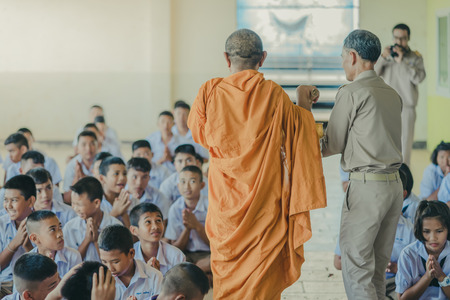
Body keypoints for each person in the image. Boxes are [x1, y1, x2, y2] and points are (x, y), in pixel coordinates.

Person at [187, 28, 326, 299]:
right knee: (262, 281)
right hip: (264, 206)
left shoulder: (209, 91)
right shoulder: (273, 95)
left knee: (227, 276)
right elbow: (302, 135)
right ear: (262, 58)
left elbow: (199, 134)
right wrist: (302, 101)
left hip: (226, 207)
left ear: (226, 59)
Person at [321, 29, 403, 299]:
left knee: (357, 269)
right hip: (393, 187)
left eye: (343, 57)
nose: (343, 62)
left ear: (353, 56)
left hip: (367, 188)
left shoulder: (352, 92)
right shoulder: (391, 93)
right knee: (377, 270)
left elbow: (332, 144)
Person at [333, 169, 416, 299]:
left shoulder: (409, 230)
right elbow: (338, 262)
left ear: (402, 194)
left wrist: (397, 268)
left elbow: (418, 269)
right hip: (364, 282)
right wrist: (365, 265)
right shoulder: (354, 224)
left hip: (396, 284)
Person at [374, 23, 426, 166]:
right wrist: (383, 58)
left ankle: (404, 185)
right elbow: (373, 74)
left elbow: (419, 78)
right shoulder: (386, 56)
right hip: (386, 108)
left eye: (403, 38)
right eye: (396, 38)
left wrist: (402, 61)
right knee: (383, 146)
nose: (399, 42)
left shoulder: (415, 58)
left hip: (407, 109)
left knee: (404, 149)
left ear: (408, 38)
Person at [396, 200, 450, 299]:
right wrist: (427, 277)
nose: (433, 237)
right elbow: (402, 298)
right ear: (419, 231)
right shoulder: (408, 254)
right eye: (426, 231)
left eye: (439, 231)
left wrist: (441, 276)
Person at [63, 177, 121, 261]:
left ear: (96, 203)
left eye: (79, 205)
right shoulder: (70, 227)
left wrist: (96, 240)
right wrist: (87, 240)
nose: (75, 208)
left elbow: (114, 262)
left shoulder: (115, 226)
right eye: (73, 203)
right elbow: (71, 263)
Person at [98, 224, 163, 299]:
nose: (110, 268)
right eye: (104, 262)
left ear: (131, 253)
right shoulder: (99, 282)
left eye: (115, 262)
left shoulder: (154, 277)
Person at [0, 175, 36, 297]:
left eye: (14, 200)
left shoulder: (44, 223)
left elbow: (46, 267)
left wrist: (28, 246)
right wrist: (14, 243)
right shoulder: (1, 224)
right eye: (6, 200)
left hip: (32, 286)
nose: (8, 205)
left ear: (30, 201)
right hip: (3, 285)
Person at [130, 203, 185, 275]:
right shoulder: (129, 257)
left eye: (158, 221)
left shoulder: (176, 256)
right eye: (148, 222)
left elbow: (180, 285)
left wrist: (158, 278)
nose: (155, 227)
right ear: (134, 230)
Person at [25, 211, 82, 277]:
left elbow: (76, 286)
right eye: (52, 230)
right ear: (35, 238)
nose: (60, 234)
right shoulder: (25, 263)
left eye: (60, 227)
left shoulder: (72, 256)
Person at [99, 156, 138, 228]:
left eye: (124, 174)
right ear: (102, 178)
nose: (122, 178)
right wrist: (115, 213)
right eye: (116, 174)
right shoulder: (96, 202)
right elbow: (96, 236)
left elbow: (136, 237)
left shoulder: (133, 201)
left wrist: (124, 214)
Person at [63, 131, 99, 204]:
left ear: (97, 146)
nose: (88, 148)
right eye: (84, 144)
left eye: (92, 144)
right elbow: (67, 199)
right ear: (77, 148)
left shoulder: (102, 162)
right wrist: (76, 178)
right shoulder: (72, 165)